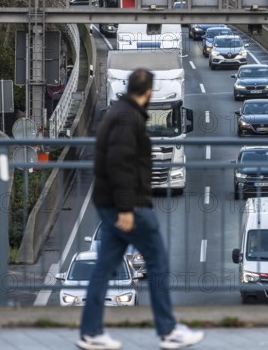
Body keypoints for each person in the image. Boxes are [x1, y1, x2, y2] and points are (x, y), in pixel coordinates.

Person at [78, 69, 205, 350]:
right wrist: (125, 209)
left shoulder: (118, 113)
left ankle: (91, 332)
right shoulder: (128, 118)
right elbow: (120, 165)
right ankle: (168, 329)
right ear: (147, 92)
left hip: (111, 204)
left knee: (104, 268)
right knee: (158, 261)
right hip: (129, 206)